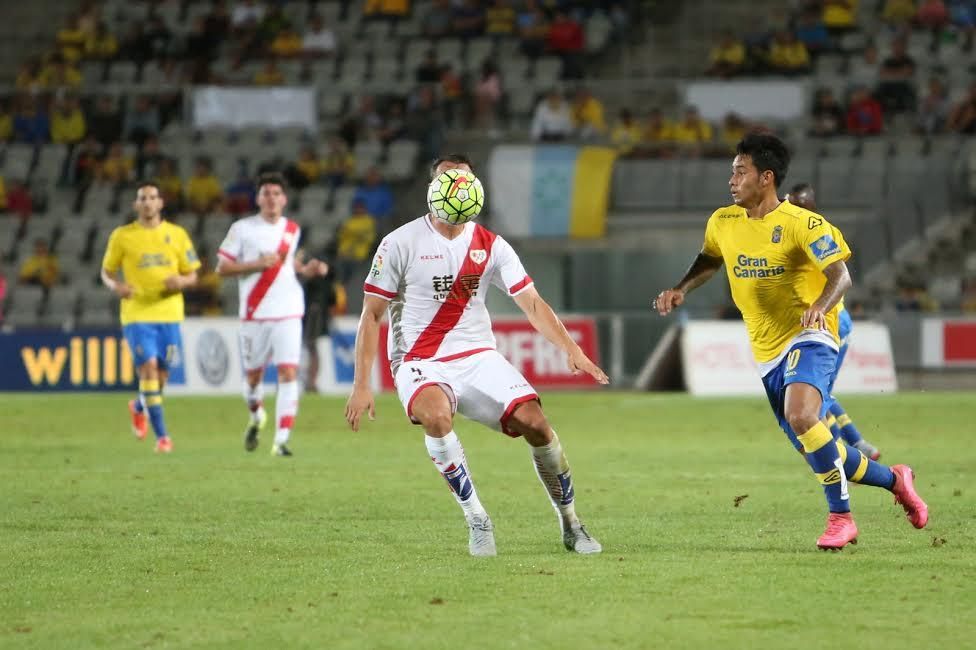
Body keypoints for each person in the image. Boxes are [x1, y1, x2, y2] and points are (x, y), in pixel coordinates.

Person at [652, 133, 927, 550]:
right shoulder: (723, 221)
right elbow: (711, 258)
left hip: (810, 334)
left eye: (740, 171)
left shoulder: (803, 224)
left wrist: (819, 305)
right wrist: (681, 289)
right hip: (766, 351)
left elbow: (841, 275)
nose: (732, 179)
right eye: (732, 171)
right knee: (819, 448)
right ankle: (896, 480)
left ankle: (841, 519)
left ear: (765, 178)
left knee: (802, 416)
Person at [345, 154, 608, 557]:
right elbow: (372, 314)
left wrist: (572, 349)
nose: (457, 185)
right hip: (420, 360)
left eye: (463, 178)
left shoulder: (491, 245)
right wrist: (362, 384)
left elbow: (532, 303)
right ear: (434, 186)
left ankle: (571, 522)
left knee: (537, 425)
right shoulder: (399, 242)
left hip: (478, 356)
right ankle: (477, 519)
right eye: (448, 178)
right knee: (435, 417)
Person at [216, 173, 329, 456]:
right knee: (253, 378)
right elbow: (222, 268)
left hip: (289, 309)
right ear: (258, 198)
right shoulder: (241, 229)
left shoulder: (292, 229)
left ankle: (281, 440)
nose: (271, 198)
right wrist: (255, 264)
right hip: (255, 313)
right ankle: (256, 416)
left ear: (284, 199)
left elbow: (289, 265)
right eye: (265, 193)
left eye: (276, 193)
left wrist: (308, 269)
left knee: (288, 371)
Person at [101, 181, 201, 453]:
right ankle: (163, 437)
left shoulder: (177, 235)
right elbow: (106, 272)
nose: (147, 202)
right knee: (148, 369)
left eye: (152, 197)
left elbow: (193, 274)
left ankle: (138, 406)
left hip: (169, 313)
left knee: (161, 378)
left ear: (160, 203)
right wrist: (117, 287)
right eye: (142, 198)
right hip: (136, 313)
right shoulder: (122, 236)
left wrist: (181, 281)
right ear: (136, 205)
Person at [785, 182, 881, 461]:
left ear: (809, 205)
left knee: (816, 398)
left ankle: (841, 455)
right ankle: (859, 444)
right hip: (826, 322)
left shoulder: (813, 232)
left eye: (798, 204)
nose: (792, 208)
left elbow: (839, 275)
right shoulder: (795, 228)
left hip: (830, 323)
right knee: (818, 393)